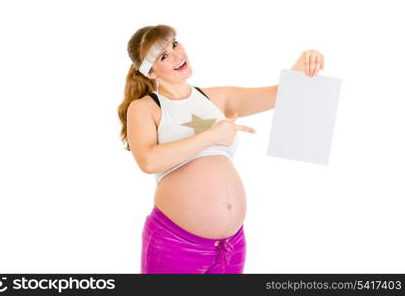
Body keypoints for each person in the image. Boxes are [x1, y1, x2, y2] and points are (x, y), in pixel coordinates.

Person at [117, 24, 324, 274]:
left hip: (231, 246)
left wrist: (304, 62)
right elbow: (148, 161)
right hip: (175, 244)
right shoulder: (145, 108)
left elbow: (283, 95)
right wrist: (211, 135)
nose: (176, 54)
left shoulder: (216, 97)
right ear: (150, 72)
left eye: (174, 44)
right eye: (163, 56)